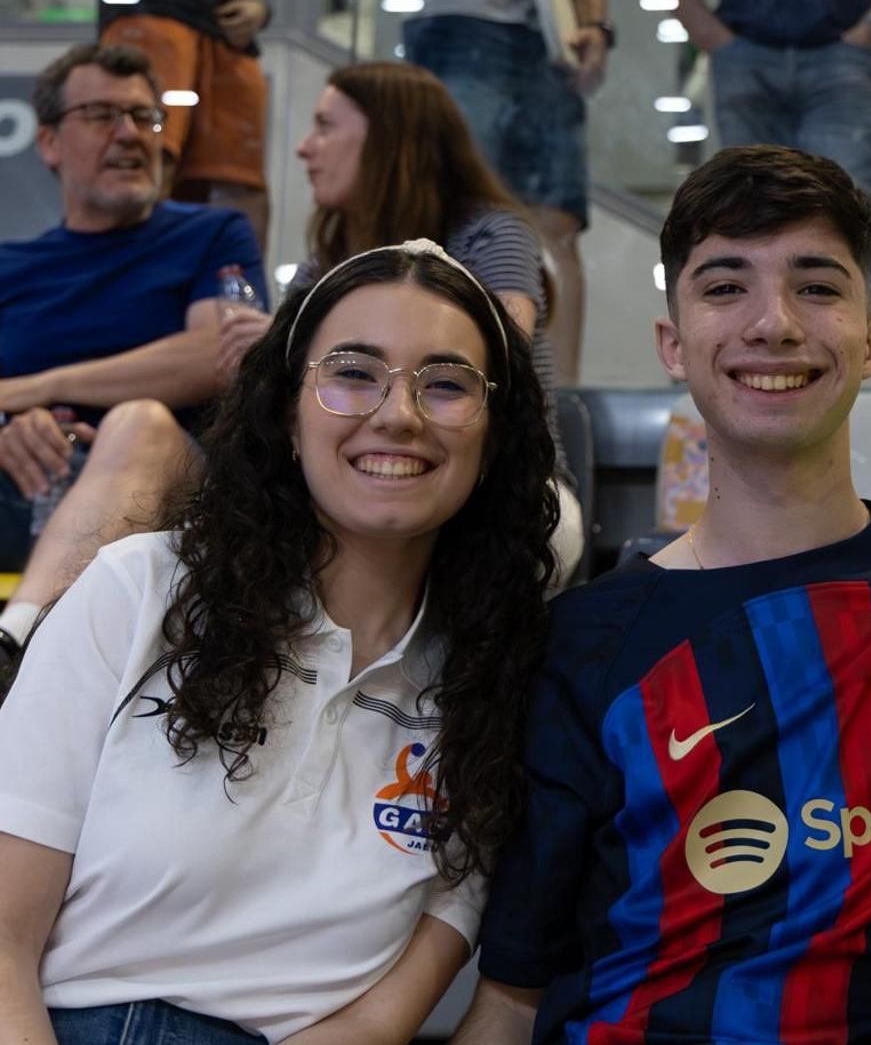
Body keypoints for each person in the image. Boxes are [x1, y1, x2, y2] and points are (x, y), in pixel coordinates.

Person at [451, 145, 871, 1043]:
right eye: (725, 288)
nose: (773, 324)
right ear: (672, 344)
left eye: (818, 287)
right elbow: (516, 990)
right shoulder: (585, 642)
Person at [0, 239, 561, 1043]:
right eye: (353, 374)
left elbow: (379, 1021)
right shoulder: (141, 591)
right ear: (287, 417)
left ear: (494, 435)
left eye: (444, 385)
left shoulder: (497, 682)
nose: (397, 414)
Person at [223, 59, 584, 583]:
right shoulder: (325, 261)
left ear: (389, 138)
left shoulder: (489, 234)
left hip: (503, 491)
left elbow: (502, 362)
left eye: (325, 125)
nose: (305, 147)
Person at [0, 43, 263, 670]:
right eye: (100, 115)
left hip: (168, 479)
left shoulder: (210, 234)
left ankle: (18, 642)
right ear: (49, 143)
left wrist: (35, 387)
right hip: (23, 484)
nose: (130, 135)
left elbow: (218, 354)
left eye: (145, 118)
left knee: (139, 419)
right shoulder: (10, 266)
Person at [404, 0, 612, 387]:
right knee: (453, 220)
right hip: (460, 20)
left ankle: (558, 404)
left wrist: (595, 22)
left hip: (552, 29)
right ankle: (444, 383)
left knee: (557, 228)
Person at [668, 0, 871, 196]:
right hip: (747, 53)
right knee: (748, 202)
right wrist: (715, 38)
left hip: (841, 52)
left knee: (845, 201)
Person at [99, 0, 272, 250]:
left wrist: (258, 8)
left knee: (238, 181)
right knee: (146, 155)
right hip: (150, 14)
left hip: (223, 27)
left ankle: (235, 286)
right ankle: (129, 282)